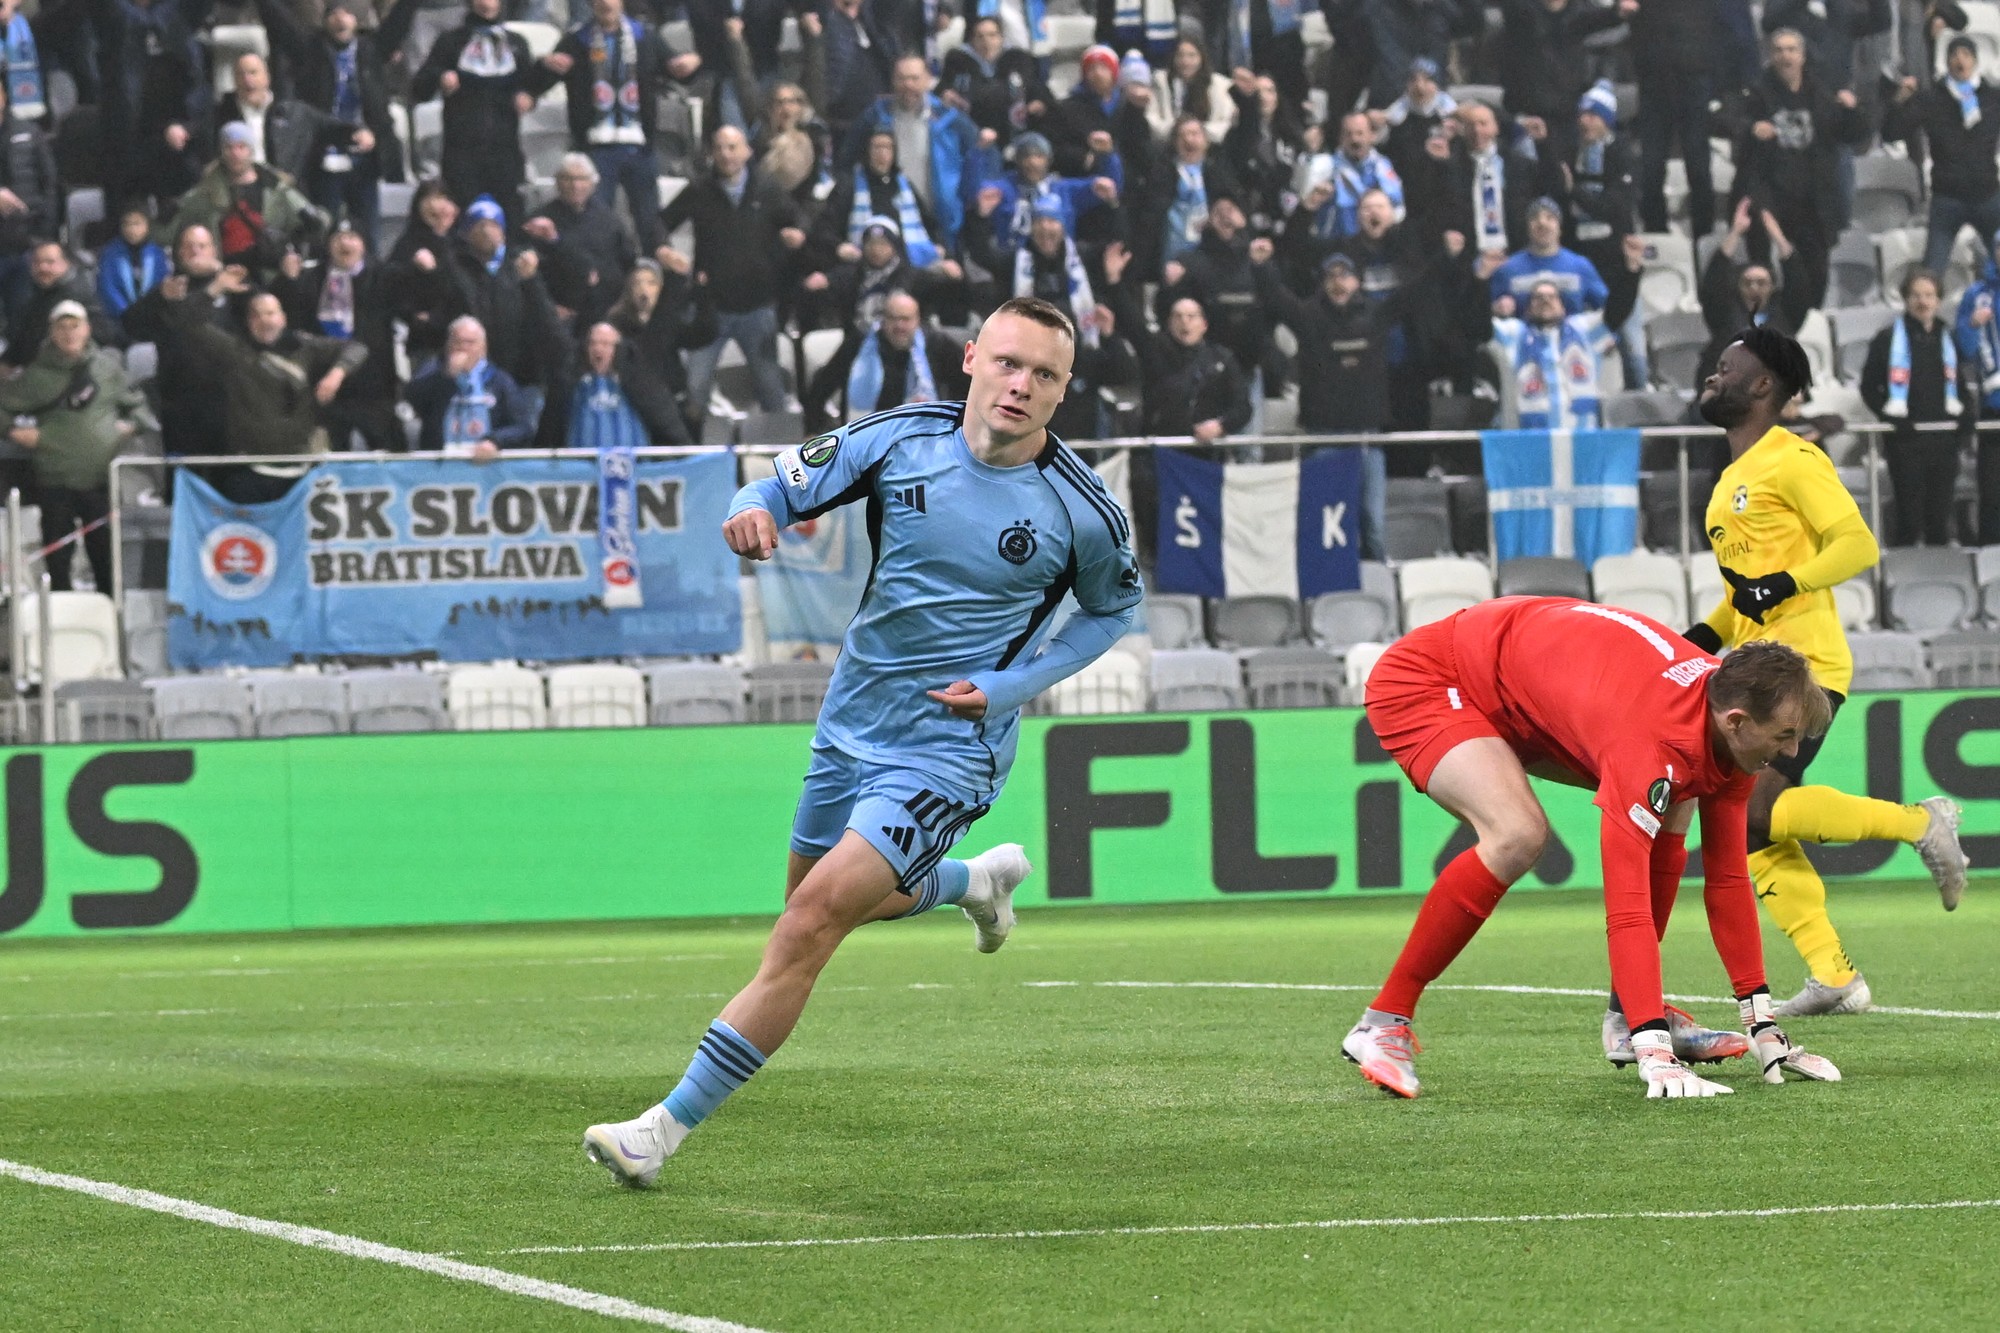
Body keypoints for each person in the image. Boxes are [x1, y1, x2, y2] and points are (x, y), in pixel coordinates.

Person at [581, 296, 1144, 1186]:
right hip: (849, 723)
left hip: (951, 750)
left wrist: (1007, 685)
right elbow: (776, 481)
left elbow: (1114, 613)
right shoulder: (899, 439)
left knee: (808, 925)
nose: (1021, 385)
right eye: (1008, 362)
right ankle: (973, 881)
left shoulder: (1081, 510)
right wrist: (752, 509)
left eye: (1044, 373)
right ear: (970, 358)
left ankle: (660, 1129)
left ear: (1064, 390)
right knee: (810, 898)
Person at [1344, 598, 1843, 1100]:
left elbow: (1728, 879)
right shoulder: (1651, 738)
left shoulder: (1728, 710)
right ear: (1736, 721)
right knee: (1517, 834)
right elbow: (1625, 907)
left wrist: (1763, 1022)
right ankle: (1382, 1021)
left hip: (1519, 682)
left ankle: (1629, 1017)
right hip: (1434, 677)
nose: (1792, 753)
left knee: (1677, 798)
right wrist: (1656, 1052)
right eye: (1785, 736)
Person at [1686, 324, 1970, 1017]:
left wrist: (1785, 584)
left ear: (1763, 385)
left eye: (1725, 368)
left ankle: (1919, 823)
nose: (1710, 377)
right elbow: (1742, 593)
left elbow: (1857, 543)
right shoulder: (1730, 480)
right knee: (1750, 823)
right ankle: (1835, 976)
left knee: (1748, 812)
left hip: (1802, 662)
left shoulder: (1793, 457)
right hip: (1755, 664)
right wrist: (1698, 636)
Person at [659, 124, 807, 434]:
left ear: (747, 152)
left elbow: (797, 217)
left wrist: (797, 233)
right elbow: (661, 224)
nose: (726, 155)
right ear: (712, 153)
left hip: (758, 309)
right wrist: (665, 253)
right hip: (710, 309)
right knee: (695, 389)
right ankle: (693, 456)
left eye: (733, 147)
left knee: (771, 391)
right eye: (720, 148)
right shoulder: (699, 190)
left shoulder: (767, 188)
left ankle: (783, 461)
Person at [160, 283, 369, 503]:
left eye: (270, 313)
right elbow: (186, 322)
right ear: (248, 323)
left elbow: (357, 348)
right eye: (256, 316)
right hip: (250, 471)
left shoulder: (304, 346)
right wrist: (216, 287)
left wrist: (336, 373)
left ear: (283, 318)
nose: (265, 321)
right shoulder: (234, 350)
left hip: (302, 470)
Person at [0, 302, 154, 590]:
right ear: (52, 333)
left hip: (99, 480)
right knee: (58, 557)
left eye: (75, 326)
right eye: (62, 327)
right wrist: (16, 432)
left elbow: (140, 409)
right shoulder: (36, 375)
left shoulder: (107, 369)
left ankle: (108, 612)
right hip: (54, 479)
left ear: (87, 330)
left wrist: (127, 427)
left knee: (105, 556)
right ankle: (58, 614)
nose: (69, 333)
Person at [1735, 28, 1869, 314]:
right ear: (1771, 56)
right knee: (1763, 272)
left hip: (1813, 201)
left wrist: (1852, 110)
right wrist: (1751, 129)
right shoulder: (1757, 93)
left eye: (1792, 50)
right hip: (1771, 198)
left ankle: (1807, 325)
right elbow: (1728, 120)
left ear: (1803, 56)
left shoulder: (1820, 93)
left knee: (1815, 275)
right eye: (1779, 50)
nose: (1786, 56)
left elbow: (1853, 135)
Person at [253, 0, 402, 251]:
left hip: (365, 160)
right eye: (334, 13)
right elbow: (280, 24)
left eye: (347, 13)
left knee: (369, 241)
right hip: (323, 157)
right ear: (324, 20)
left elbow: (399, 24)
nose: (341, 18)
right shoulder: (309, 50)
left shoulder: (371, 50)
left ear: (357, 21)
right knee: (322, 238)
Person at [529, 0, 672, 254]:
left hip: (639, 147)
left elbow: (677, 69)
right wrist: (544, 65)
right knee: (595, 224)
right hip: (595, 150)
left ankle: (654, 280)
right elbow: (538, 84)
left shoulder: (646, 37)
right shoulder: (576, 40)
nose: (606, 3)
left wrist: (689, 65)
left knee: (650, 223)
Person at [1860, 269, 1971, 547]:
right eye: (1917, 295)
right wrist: (1891, 419)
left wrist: (1966, 420)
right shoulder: (1887, 339)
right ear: (1906, 299)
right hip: (1906, 442)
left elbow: (1961, 387)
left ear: (1938, 300)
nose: (1923, 301)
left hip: (1943, 443)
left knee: (1940, 519)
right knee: (1909, 519)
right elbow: (1868, 387)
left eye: (1929, 295)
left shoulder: (1948, 337)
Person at [1486, 236, 1643, 432]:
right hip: (1526, 445)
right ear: (1526, 309)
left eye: (1552, 296)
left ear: (1564, 307)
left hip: (1582, 442)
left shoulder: (1584, 329)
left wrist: (1631, 270)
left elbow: (1617, 310)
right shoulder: (1513, 334)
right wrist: (1481, 281)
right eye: (1538, 297)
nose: (1545, 300)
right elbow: (1478, 325)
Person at [411, 0, 538, 219]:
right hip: (461, 151)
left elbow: (529, 85)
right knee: (463, 216)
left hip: (505, 149)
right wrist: (439, 77)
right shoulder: (451, 42)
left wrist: (528, 96)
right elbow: (419, 88)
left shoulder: (516, 44)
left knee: (509, 216)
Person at [1886, 34, 2000, 276]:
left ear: (1975, 61)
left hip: (1988, 196)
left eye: (1966, 55)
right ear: (1946, 62)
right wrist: (1898, 102)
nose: (1960, 60)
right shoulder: (1932, 99)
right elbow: (1891, 132)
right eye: (1954, 55)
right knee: (1932, 272)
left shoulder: (1992, 98)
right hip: (1947, 199)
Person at [166, 122, 323, 284]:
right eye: (229, 148)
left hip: (270, 276)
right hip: (222, 276)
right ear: (222, 152)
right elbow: (168, 231)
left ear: (251, 150)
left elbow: (317, 222)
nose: (236, 153)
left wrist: (297, 247)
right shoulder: (206, 191)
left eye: (241, 147)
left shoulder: (276, 187)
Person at [405, 315, 537, 457]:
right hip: (441, 465)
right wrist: (448, 377)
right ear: (448, 345)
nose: (463, 348)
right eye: (457, 342)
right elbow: (413, 399)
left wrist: (495, 441)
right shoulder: (435, 372)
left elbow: (523, 427)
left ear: (483, 347)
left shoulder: (499, 380)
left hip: (485, 465)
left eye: (470, 342)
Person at [1142, 296, 1251, 446]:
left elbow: (1243, 407)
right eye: (1178, 316)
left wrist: (1221, 425)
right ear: (1169, 323)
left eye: (1191, 317)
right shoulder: (1156, 358)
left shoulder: (1222, 359)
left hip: (1208, 452)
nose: (1184, 322)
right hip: (1164, 448)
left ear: (1204, 324)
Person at [1953, 227, 2000, 541]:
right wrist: (1971, 325)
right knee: (1993, 489)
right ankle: (1993, 553)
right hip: (1993, 407)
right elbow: (1964, 348)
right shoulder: (1976, 294)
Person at [1145, 37, 1234, 146]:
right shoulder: (1160, 82)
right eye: (1180, 55)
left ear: (1202, 58)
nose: (1185, 61)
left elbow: (1227, 121)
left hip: (1211, 145)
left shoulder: (1221, 85)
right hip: (1169, 145)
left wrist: (1199, 132)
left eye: (1191, 56)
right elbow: (1151, 117)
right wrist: (1178, 132)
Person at [96, 205, 171, 320]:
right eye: (126, 224)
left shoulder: (157, 253)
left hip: (152, 318)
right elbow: (108, 287)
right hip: (120, 319)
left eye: (137, 224)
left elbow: (162, 284)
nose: (131, 229)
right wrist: (127, 314)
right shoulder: (110, 253)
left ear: (147, 226)